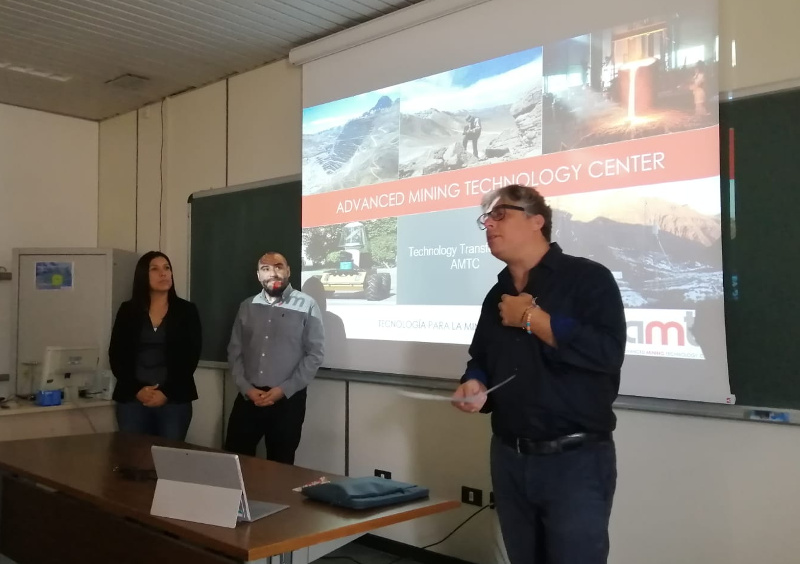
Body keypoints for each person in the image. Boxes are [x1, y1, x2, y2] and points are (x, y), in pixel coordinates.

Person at [452, 184, 626, 564]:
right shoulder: (495, 293)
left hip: (575, 460)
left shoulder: (588, 278)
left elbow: (606, 354)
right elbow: (480, 356)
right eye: (486, 218)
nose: (489, 225)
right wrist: (475, 380)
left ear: (537, 221)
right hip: (509, 457)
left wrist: (533, 319)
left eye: (500, 214)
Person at [224, 252, 325, 464]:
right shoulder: (247, 306)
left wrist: (283, 390)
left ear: (288, 271)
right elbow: (235, 352)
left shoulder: (307, 305)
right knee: (235, 461)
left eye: (278, 267)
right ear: (259, 275)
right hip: (248, 398)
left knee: (281, 466)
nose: (273, 273)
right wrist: (246, 388)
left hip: (287, 402)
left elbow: (314, 354)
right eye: (266, 268)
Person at [109, 251, 202, 441]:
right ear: (143, 275)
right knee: (133, 460)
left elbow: (190, 357)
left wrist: (165, 393)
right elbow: (117, 354)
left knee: (169, 459)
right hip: (133, 398)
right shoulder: (128, 310)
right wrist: (138, 390)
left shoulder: (186, 311)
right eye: (155, 269)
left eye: (167, 268)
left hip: (174, 399)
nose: (164, 274)